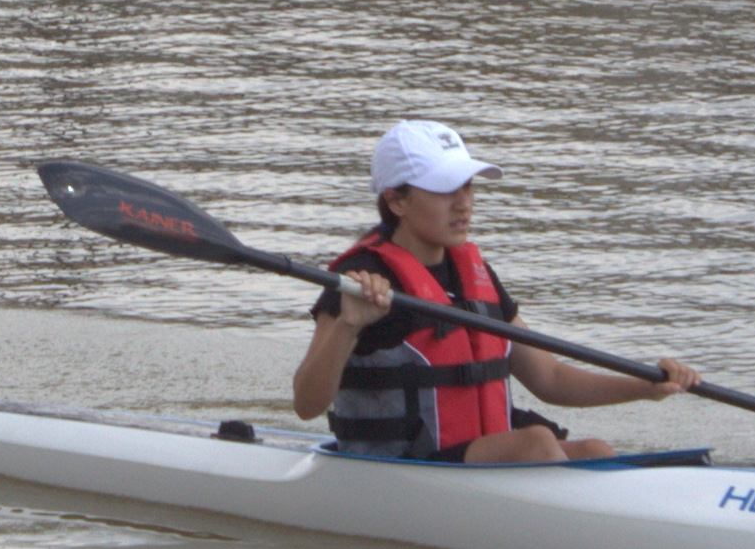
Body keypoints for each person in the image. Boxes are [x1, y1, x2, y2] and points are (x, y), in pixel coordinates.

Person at [292, 120, 692, 466]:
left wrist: (644, 387)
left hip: (472, 459)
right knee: (536, 443)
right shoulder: (360, 276)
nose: (463, 204)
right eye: (445, 189)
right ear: (396, 200)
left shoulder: (474, 274)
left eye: (467, 187)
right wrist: (348, 323)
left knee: (597, 451)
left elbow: (549, 379)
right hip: (400, 463)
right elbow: (306, 403)